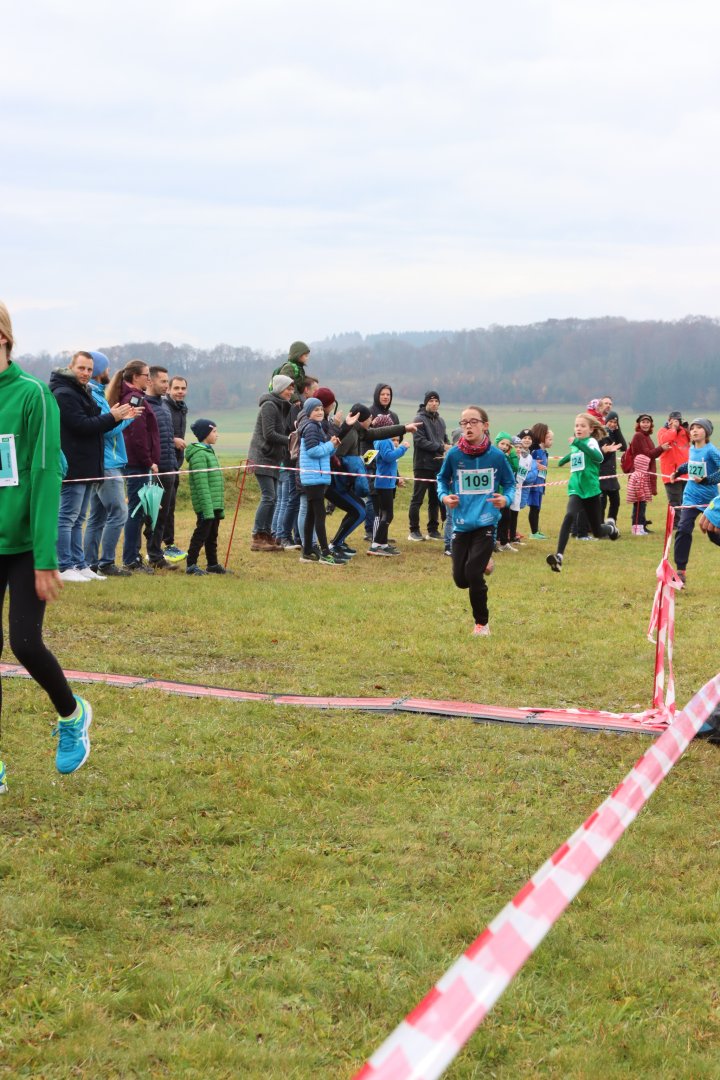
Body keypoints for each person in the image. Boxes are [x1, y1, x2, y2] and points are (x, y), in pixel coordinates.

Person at [0, 302, 91, 793]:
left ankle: (72, 715)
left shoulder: (34, 395)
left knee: (25, 644)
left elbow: (44, 474)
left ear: (3, 337)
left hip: (22, 545)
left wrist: (43, 557)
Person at [50, 351, 133, 581]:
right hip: (74, 464)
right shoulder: (64, 393)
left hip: (87, 464)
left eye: (89, 369)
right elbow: (82, 425)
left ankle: (79, 563)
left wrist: (116, 417)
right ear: (71, 367)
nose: (86, 373)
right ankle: (63, 566)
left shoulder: (82, 391)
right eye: (81, 368)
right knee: (67, 517)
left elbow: (95, 423)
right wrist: (113, 416)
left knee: (79, 518)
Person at [437, 405, 516, 636]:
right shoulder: (454, 455)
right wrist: (444, 497)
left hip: (486, 522)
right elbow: (441, 480)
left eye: (473, 422)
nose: (468, 426)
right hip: (461, 523)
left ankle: (482, 624)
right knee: (461, 580)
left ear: (485, 425)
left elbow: (510, 484)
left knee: (473, 573)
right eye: (464, 423)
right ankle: (485, 562)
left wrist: (506, 499)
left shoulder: (497, 456)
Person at [83, 351, 139, 577]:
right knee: (119, 512)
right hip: (108, 464)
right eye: (106, 367)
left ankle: (89, 563)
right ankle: (106, 562)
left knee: (97, 517)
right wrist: (127, 419)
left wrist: (121, 417)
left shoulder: (96, 394)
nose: (109, 371)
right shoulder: (95, 397)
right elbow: (105, 430)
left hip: (103, 462)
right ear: (99, 370)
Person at [546, 413, 620, 573]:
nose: (578, 428)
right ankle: (559, 557)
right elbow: (575, 454)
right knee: (569, 515)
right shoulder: (576, 444)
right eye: (576, 425)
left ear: (591, 429)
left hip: (591, 491)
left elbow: (598, 457)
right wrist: (563, 460)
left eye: (582, 426)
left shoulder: (591, 442)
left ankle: (611, 528)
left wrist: (578, 444)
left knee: (597, 531)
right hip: (576, 488)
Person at [106, 359, 160, 573]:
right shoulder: (135, 399)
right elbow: (137, 435)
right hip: (137, 463)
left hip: (137, 462)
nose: (149, 379)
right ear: (135, 377)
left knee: (138, 509)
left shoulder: (133, 396)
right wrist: (148, 461)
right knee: (136, 510)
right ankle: (130, 559)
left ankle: (133, 556)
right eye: (147, 375)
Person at [247, 374, 293, 552]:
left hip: (273, 458)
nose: (291, 392)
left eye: (292, 388)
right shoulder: (269, 406)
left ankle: (266, 535)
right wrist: (290, 440)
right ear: (280, 388)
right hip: (262, 457)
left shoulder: (281, 407)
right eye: (288, 388)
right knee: (269, 497)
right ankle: (257, 536)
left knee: (273, 499)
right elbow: (269, 434)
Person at [672, 418, 720, 588]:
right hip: (690, 497)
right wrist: (678, 471)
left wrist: (706, 480)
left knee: (714, 535)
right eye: (692, 428)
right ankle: (680, 571)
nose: (694, 430)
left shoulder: (712, 450)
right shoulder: (692, 448)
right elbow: (691, 464)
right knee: (683, 528)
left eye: (699, 428)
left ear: (706, 432)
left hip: (709, 501)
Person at [144, 366, 182, 569]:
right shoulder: (144, 406)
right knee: (152, 514)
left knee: (164, 515)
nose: (166, 385)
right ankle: (150, 555)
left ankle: (156, 553)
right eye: (163, 381)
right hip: (155, 469)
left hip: (170, 467)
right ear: (150, 381)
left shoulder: (165, 406)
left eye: (167, 381)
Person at [297, 397, 341, 565]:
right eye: (316, 409)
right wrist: (329, 445)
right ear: (308, 412)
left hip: (316, 477)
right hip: (313, 477)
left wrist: (333, 446)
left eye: (321, 409)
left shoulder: (317, 427)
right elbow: (313, 451)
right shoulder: (311, 428)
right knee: (320, 515)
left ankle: (307, 551)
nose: (320, 412)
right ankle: (325, 553)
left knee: (311, 515)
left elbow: (322, 453)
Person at [185, 419, 228, 575]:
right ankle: (191, 564)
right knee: (201, 534)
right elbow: (201, 484)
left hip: (213, 503)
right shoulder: (199, 455)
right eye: (214, 431)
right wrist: (207, 508)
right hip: (206, 504)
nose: (217, 435)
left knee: (212, 535)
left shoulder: (208, 452)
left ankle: (212, 564)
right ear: (205, 434)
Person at [408, 391, 449, 542]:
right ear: (426, 403)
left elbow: (444, 439)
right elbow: (420, 441)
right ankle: (414, 530)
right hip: (422, 465)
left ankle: (433, 530)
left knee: (435, 499)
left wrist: (449, 446)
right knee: (417, 499)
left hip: (438, 465)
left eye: (436, 401)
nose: (434, 403)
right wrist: (441, 447)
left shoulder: (441, 421)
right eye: (431, 401)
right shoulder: (419, 419)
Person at [367, 414, 408, 556]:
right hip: (384, 483)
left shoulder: (381, 440)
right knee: (388, 514)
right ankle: (376, 545)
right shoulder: (384, 440)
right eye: (390, 426)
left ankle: (383, 544)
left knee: (384, 513)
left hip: (387, 482)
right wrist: (403, 448)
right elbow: (389, 457)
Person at [625, 414, 666, 532]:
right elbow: (648, 454)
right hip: (640, 474)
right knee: (639, 501)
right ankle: (637, 526)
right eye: (643, 422)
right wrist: (661, 448)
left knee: (642, 501)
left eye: (648, 422)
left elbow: (652, 455)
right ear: (639, 424)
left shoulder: (646, 436)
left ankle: (641, 525)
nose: (645, 424)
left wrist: (661, 449)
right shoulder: (639, 436)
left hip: (646, 473)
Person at [163, 375, 189, 561]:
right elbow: (158, 433)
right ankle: (161, 547)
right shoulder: (164, 407)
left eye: (183, 388)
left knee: (170, 507)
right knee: (162, 508)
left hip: (175, 463)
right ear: (168, 390)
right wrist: (173, 441)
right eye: (176, 388)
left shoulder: (182, 409)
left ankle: (168, 545)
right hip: (163, 463)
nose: (180, 392)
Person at [657, 411, 690, 512]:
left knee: (686, 501)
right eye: (674, 420)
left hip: (685, 472)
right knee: (675, 502)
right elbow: (664, 441)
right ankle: (676, 522)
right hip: (671, 472)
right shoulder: (663, 431)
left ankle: (683, 521)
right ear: (669, 421)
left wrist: (688, 428)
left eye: (678, 420)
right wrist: (673, 429)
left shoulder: (683, 431)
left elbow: (694, 440)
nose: (676, 422)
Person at [598, 411, 626, 525]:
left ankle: (611, 524)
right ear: (606, 421)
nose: (613, 424)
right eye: (610, 421)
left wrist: (617, 430)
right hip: (601, 474)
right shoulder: (600, 434)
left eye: (615, 422)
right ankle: (599, 526)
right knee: (602, 503)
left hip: (612, 475)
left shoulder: (614, 434)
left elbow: (624, 446)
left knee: (615, 501)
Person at [527, 423, 554, 539]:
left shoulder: (544, 452)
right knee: (534, 507)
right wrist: (534, 464)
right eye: (550, 439)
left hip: (541, 484)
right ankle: (533, 533)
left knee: (537, 508)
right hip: (534, 484)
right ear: (542, 436)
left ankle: (536, 531)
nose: (552, 442)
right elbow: (527, 463)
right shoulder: (534, 451)